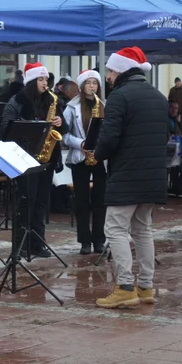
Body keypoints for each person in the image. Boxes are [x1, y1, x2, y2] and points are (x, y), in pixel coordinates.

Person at [94, 47, 168, 308]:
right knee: (143, 229)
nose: (108, 76)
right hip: (154, 174)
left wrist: (96, 153)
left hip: (126, 174)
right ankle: (146, 286)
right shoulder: (159, 96)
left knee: (114, 228)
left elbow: (110, 136)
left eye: (111, 71)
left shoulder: (119, 96)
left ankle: (125, 287)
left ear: (120, 70)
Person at [0, 63, 68, 260]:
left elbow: (64, 129)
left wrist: (60, 123)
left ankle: (38, 242)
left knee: (40, 202)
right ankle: (21, 243)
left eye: (46, 80)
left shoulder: (52, 100)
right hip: (24, 158)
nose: (45, 83)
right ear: (31, 82)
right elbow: (5, 127)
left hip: (47, 157)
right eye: (41, 79)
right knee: (25, 201)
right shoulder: (17, 101)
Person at [63, 70, 107, 256]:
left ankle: (99, 239)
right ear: (82, 86)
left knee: (100, 200)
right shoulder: (71, 107)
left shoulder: (104, 105)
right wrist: (80, 143)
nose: (92, 86)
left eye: (94, 83)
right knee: (81, 200)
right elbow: (64, 135)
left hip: (99, 157)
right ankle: (84, 241)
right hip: (80, 157)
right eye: (88, 83)